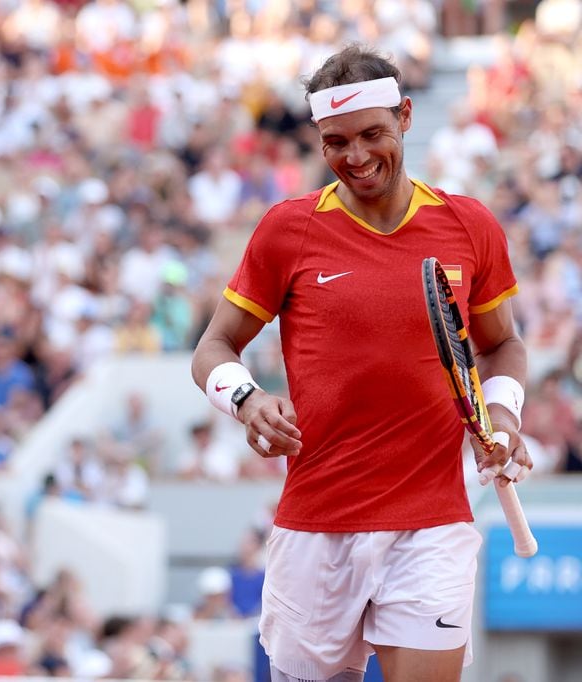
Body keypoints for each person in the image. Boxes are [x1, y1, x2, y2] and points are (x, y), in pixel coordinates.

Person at [191, 44, 531, 682]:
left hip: (432, 525)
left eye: (373, 133)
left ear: (406, 117)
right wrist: (247, 400)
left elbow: (502, 344)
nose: (356, 157)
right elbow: (214, 347)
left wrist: (505, 416)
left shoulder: (469, 224)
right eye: (335, 141)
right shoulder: (286, 230)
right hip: (316, 524)